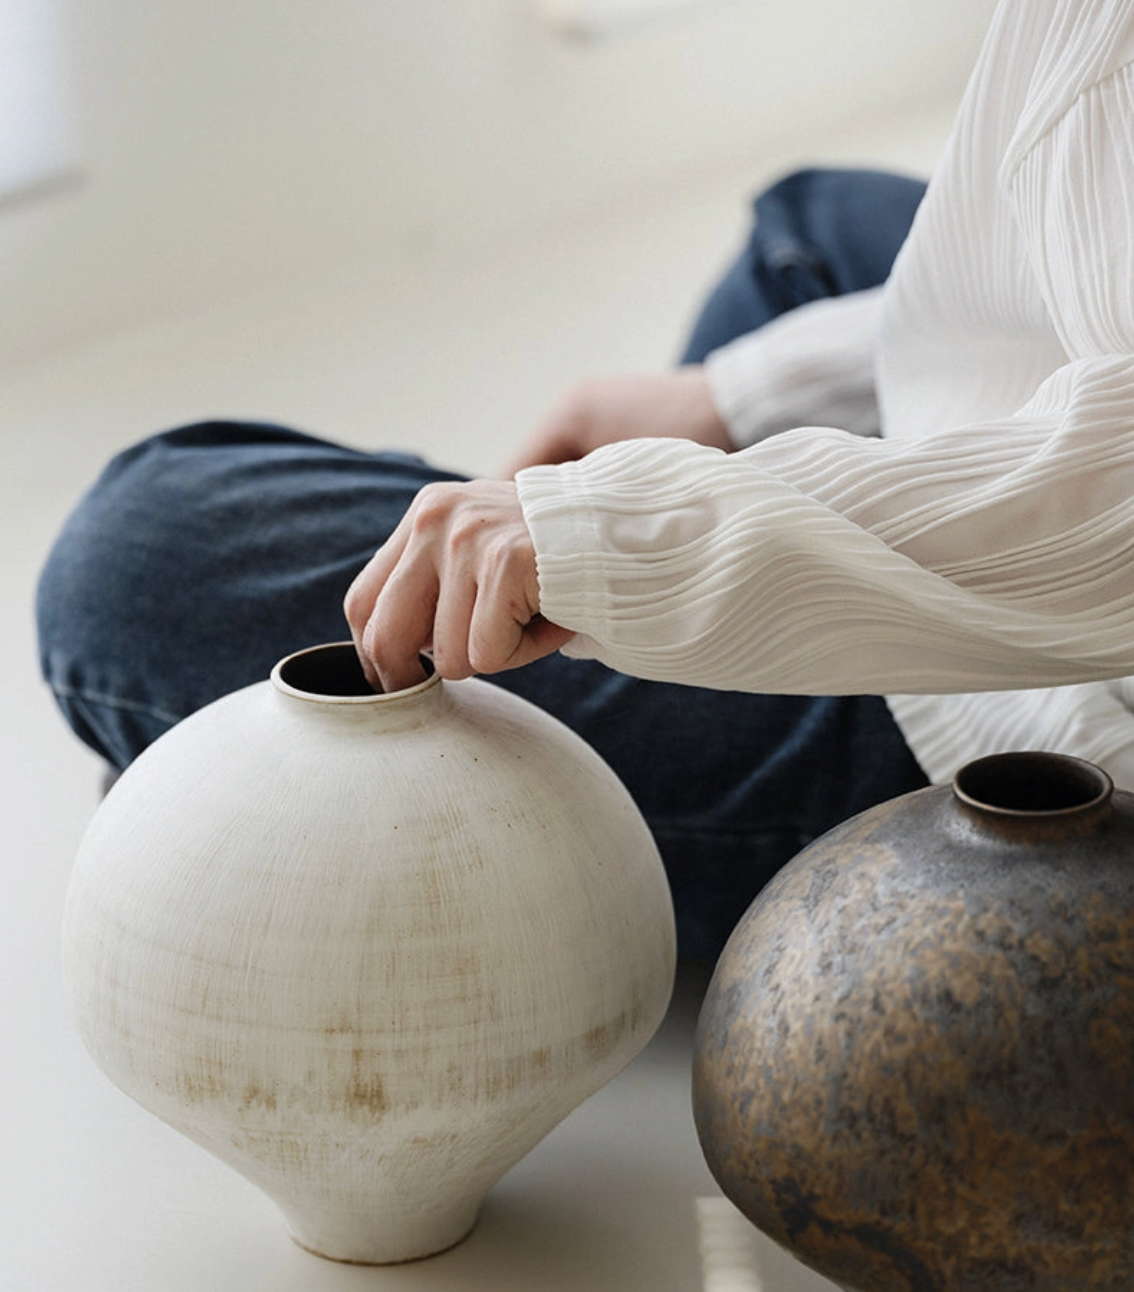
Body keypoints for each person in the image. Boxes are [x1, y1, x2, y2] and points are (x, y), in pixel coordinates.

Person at [36, 0, 1134, 960]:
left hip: (1040, 713)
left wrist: (616, 541)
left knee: (139, 559)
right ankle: (529, 643)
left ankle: (542, 719)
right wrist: (741, 393)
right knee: (811, 230)